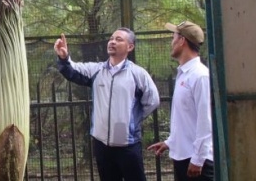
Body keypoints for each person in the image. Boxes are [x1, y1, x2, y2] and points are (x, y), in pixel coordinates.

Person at [54, 28, 160, 181]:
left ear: (130, 47)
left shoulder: (138, 74)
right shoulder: (96, 70)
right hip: (102, 145)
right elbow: (72, 70)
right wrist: (64, 57)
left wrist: (133, 118)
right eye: (111, 38)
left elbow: (153, 100)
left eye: (119, 39)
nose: (112, 41)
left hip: (128, 146)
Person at [147, 21, 214, 181]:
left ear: (182, 41)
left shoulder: (200, 76)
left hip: (198, 162)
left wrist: (198, 159)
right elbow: (185, 118)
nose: (172, 42)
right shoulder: (184, 74)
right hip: (183, 157)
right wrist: (170, 142)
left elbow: (206, 121)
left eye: (173, 37)